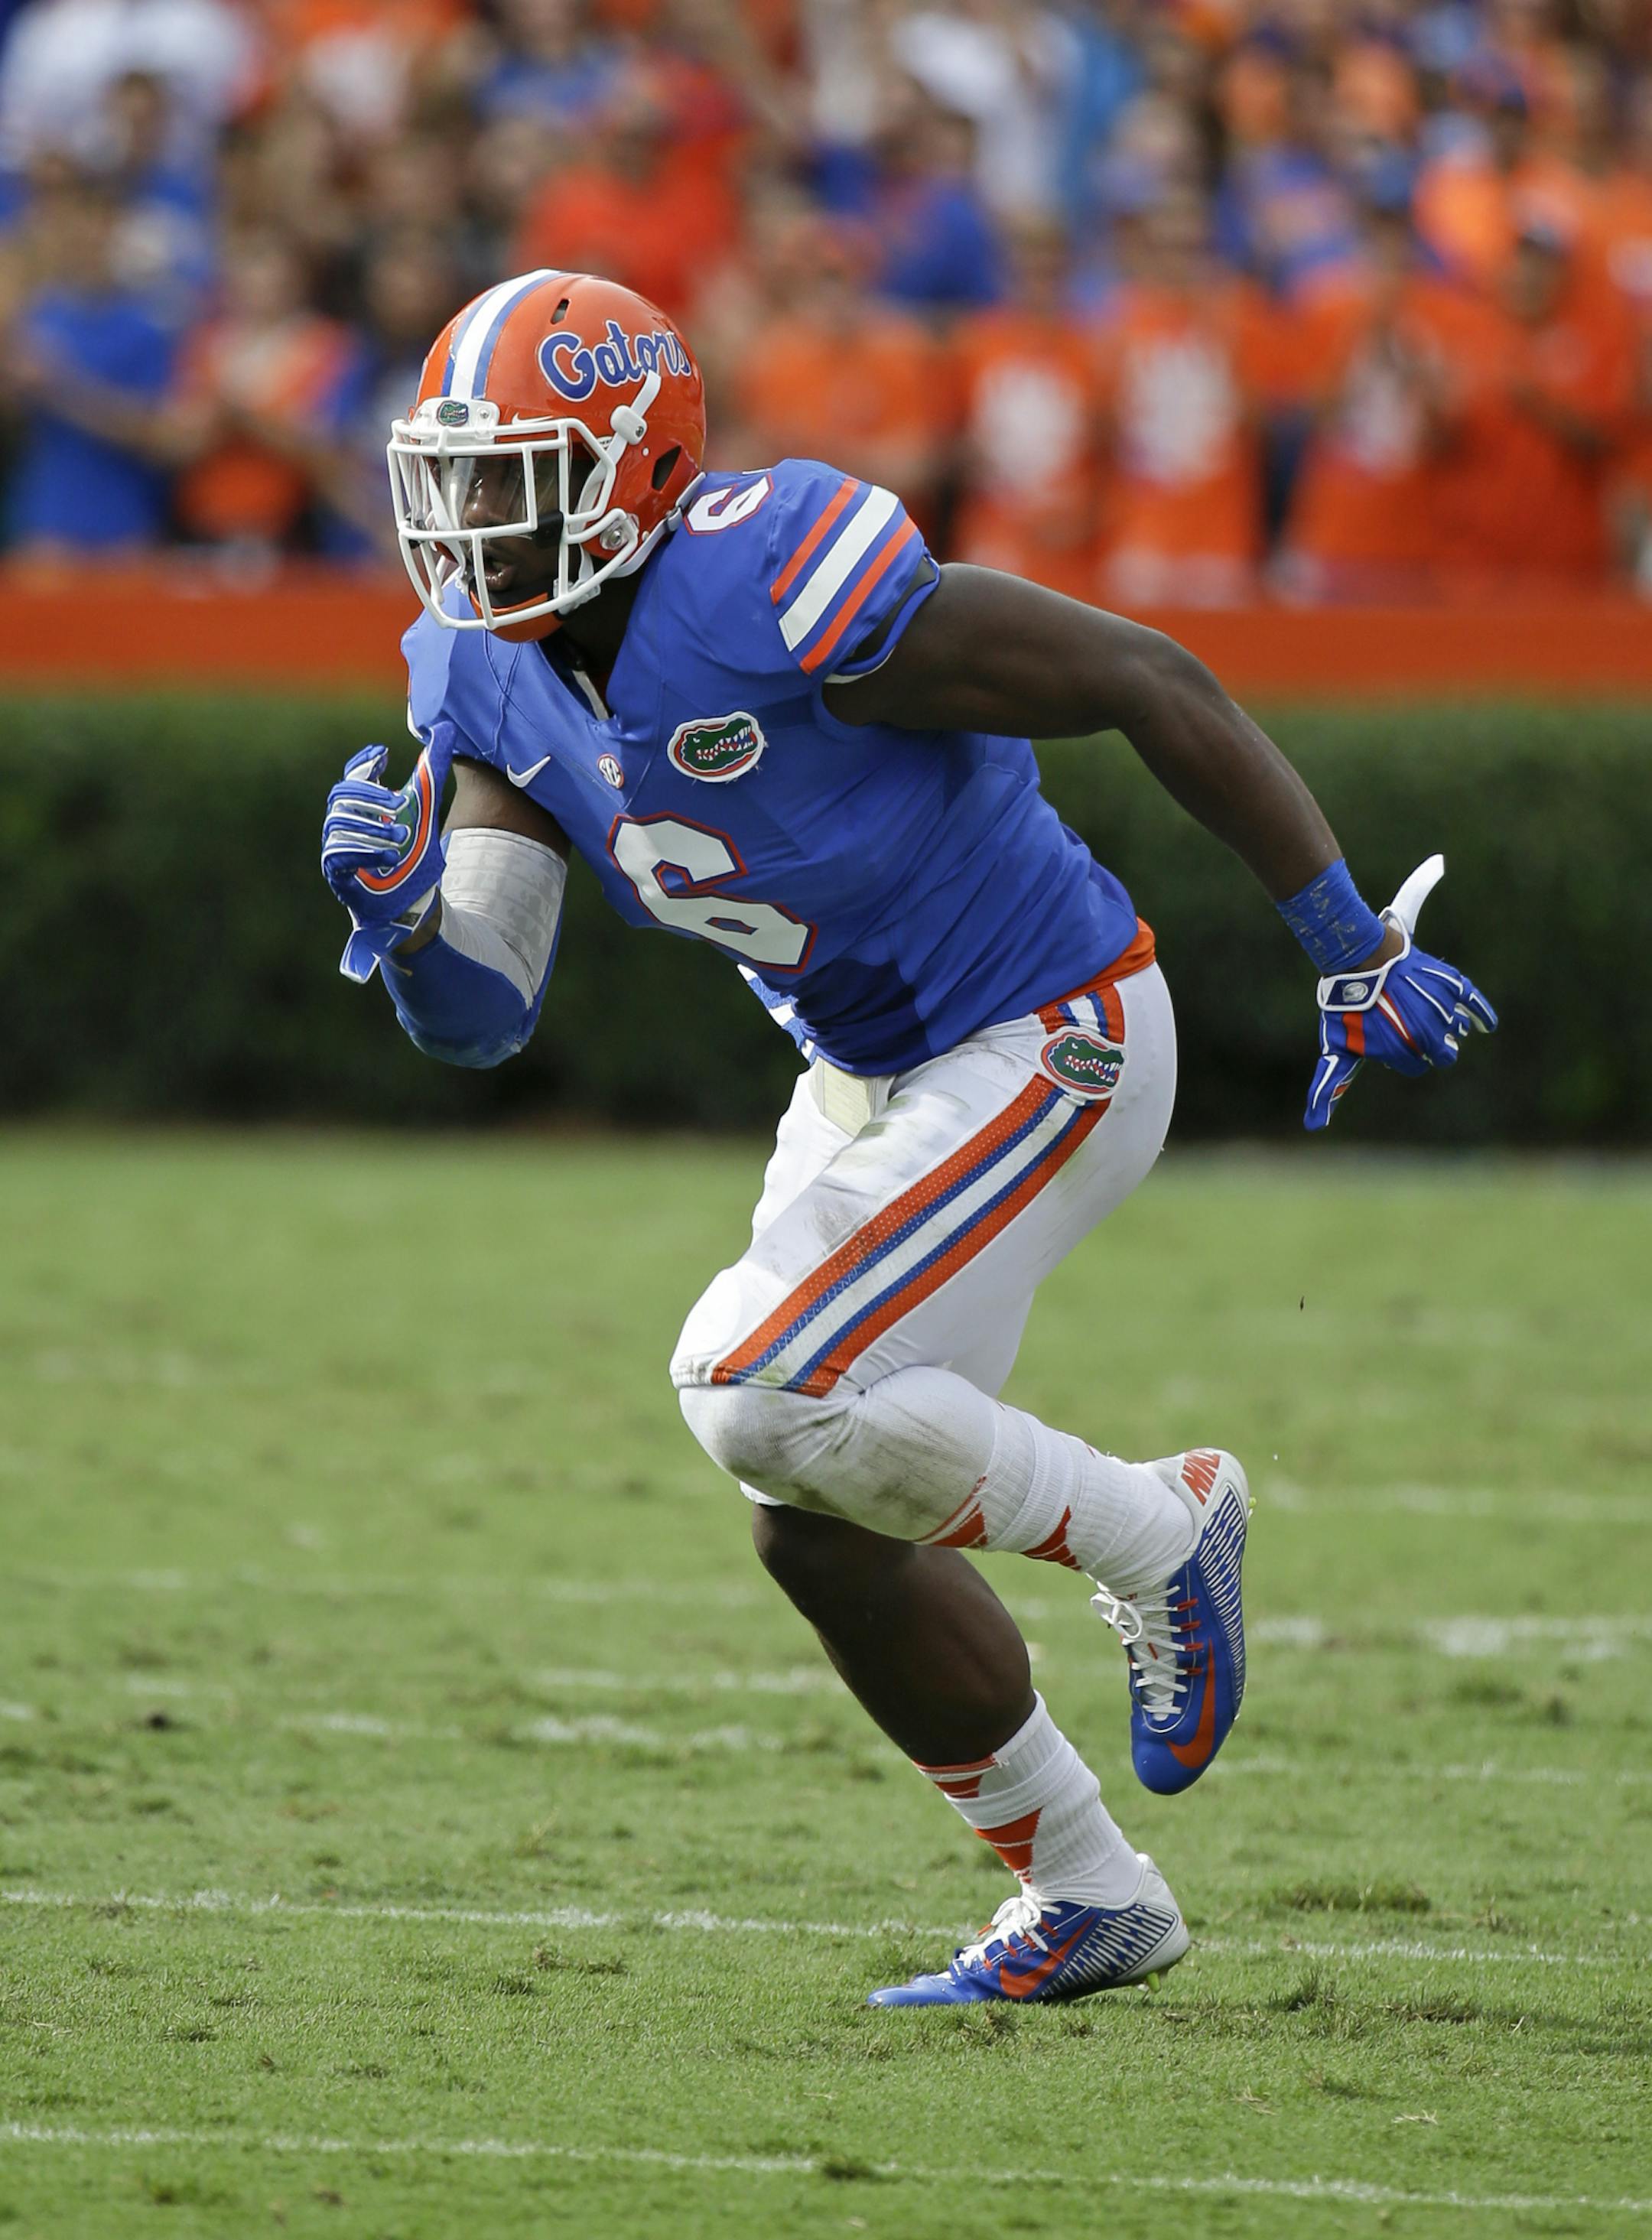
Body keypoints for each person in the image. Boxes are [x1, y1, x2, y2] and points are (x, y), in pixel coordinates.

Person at [319, 271, 1495, 2008]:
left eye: (517, 478)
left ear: (637, 471)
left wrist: (1345, 941)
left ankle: (1158, 1528)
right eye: (457, 478)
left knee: (753, 1377)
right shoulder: (484, 675)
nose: (473, 523)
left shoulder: (765, 576)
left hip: (1051, 1025)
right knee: (809, 1503)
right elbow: (487, 1014)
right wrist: (413, 918)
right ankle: (1089, 1893)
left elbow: (1140, 672)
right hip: (870, 1072)